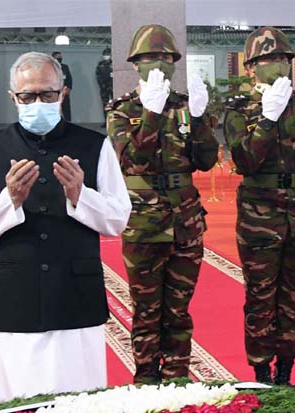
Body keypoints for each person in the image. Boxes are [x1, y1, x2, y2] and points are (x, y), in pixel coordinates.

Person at [0, 52, 131, 406]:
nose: (38, 103)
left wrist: (81, 195)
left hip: (75, 291)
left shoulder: (95, 146)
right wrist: (9, 200)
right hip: (16, 291)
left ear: (63, 93)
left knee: (80, 403)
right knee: (15, 401)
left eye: (47, 94)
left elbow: (117, 220)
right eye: (28, 96)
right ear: (13, 97)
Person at [106, 24, 219, 384]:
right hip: (144, 224)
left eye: (166, 57)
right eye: (150, 57)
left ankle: (177, 381)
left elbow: (206, 160)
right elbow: (133, 161)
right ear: (135, 64)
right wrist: (151, 114)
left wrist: (200, 121)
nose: (159, 63)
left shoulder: (184, 106)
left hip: (186, 222)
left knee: (179, 311)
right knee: (146, 310)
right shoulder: (122, 111)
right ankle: (145, 381)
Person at [223, 26, 295, 385]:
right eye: (268, 59)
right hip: (260, 214)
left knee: (293, 297)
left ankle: (286, 370)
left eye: (283, 58)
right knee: (260, 296)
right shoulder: (241, 109)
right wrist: (267, 120)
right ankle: (260, 371)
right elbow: (245, 161)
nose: (278, 64)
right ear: (251, 67)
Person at [52, 51, 73, 120]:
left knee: (66, 108)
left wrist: (69, 88)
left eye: (60, 57)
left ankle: (68, 123)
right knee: (55, 109)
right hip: (54, 92)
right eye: (58, 57)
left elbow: (69, 78)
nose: (60, 58)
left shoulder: (65, 67)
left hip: (64, 91)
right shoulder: (50, 67)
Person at [96, 47, 113, 128]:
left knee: (115, 104)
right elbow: (97, 75)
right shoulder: (100, 64)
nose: (106, 55)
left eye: (108, 54)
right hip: (104, 88)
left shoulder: (114, 63)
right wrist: (101, 85)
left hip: (113, 87)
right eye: (105, 54)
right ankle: (106, 121)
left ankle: (114, 122)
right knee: (105, 105)